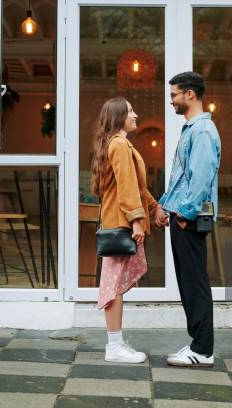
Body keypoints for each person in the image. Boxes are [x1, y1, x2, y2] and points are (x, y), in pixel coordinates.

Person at [91, 97, 167, 363]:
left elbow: (136, 185)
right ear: (119, 116)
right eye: (131, 111)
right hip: (121, 224)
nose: (136, 114)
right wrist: (136, 219)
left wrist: (155, 207)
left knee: (115, 286)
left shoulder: (116, 144)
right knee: (113, 287)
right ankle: (114, 346)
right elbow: (126, 186)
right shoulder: (120, 144)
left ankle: (117, 341)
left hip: (118, 221)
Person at [156, 72, 221, 367]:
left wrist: (183, 214)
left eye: (174, 95)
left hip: (190, 220)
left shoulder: (203, 131)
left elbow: (201, 179)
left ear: (190, 94)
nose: (171, 100)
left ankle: (203, 350)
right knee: (188, 283)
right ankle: (197, 345)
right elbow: (182, 179)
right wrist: (163, 205)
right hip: (183, 216)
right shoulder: (191, 129)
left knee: (195, 284)